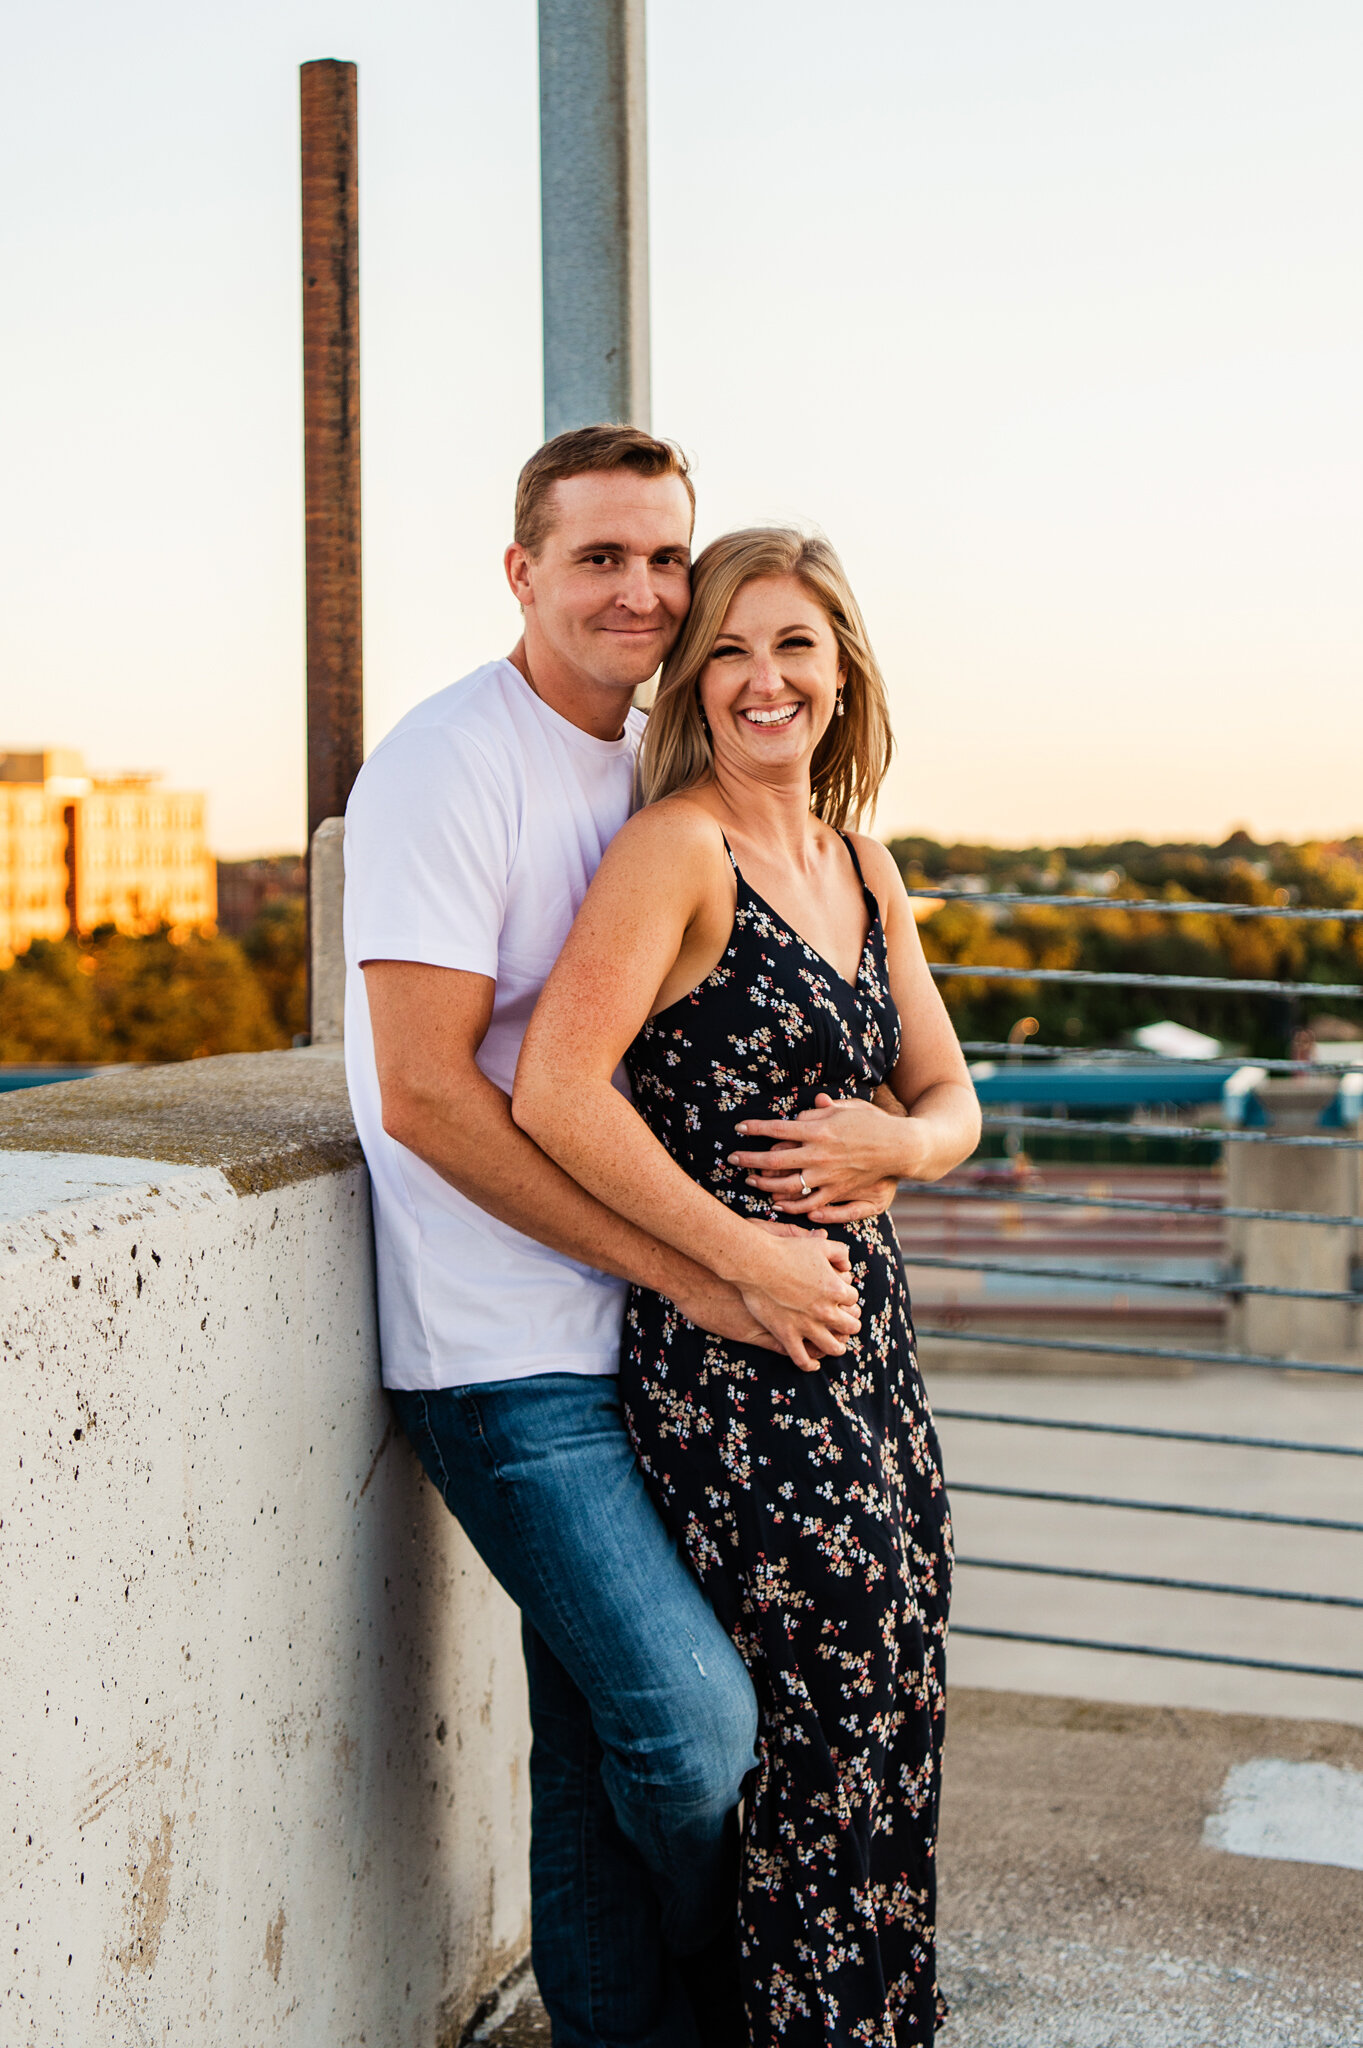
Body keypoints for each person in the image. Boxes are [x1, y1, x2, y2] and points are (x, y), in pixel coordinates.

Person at [342, 432, 904, 2048]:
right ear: (523, 572)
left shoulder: (657, 752)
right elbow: (434, 1101)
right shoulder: (454, 763)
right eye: (601, 558)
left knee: (593, 1747)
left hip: (660, 1354)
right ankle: (734, 2002)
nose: (645, 592)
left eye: (667, 557)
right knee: (689, 1725)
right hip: (505, 1352)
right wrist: (708, 1261)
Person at [514, 528, 982, 2045]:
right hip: (731, 1369)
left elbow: (956, 1104)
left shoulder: (864, 862)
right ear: (693, 682)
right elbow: (558, 1091)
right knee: (793, 1748)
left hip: (871, 1360)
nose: (762, 679)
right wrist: (735, 1258)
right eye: (727, 649)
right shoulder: (679, 850)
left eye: (794, 646)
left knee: (891, 1704)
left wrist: (898, 1144)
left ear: (844, 672)